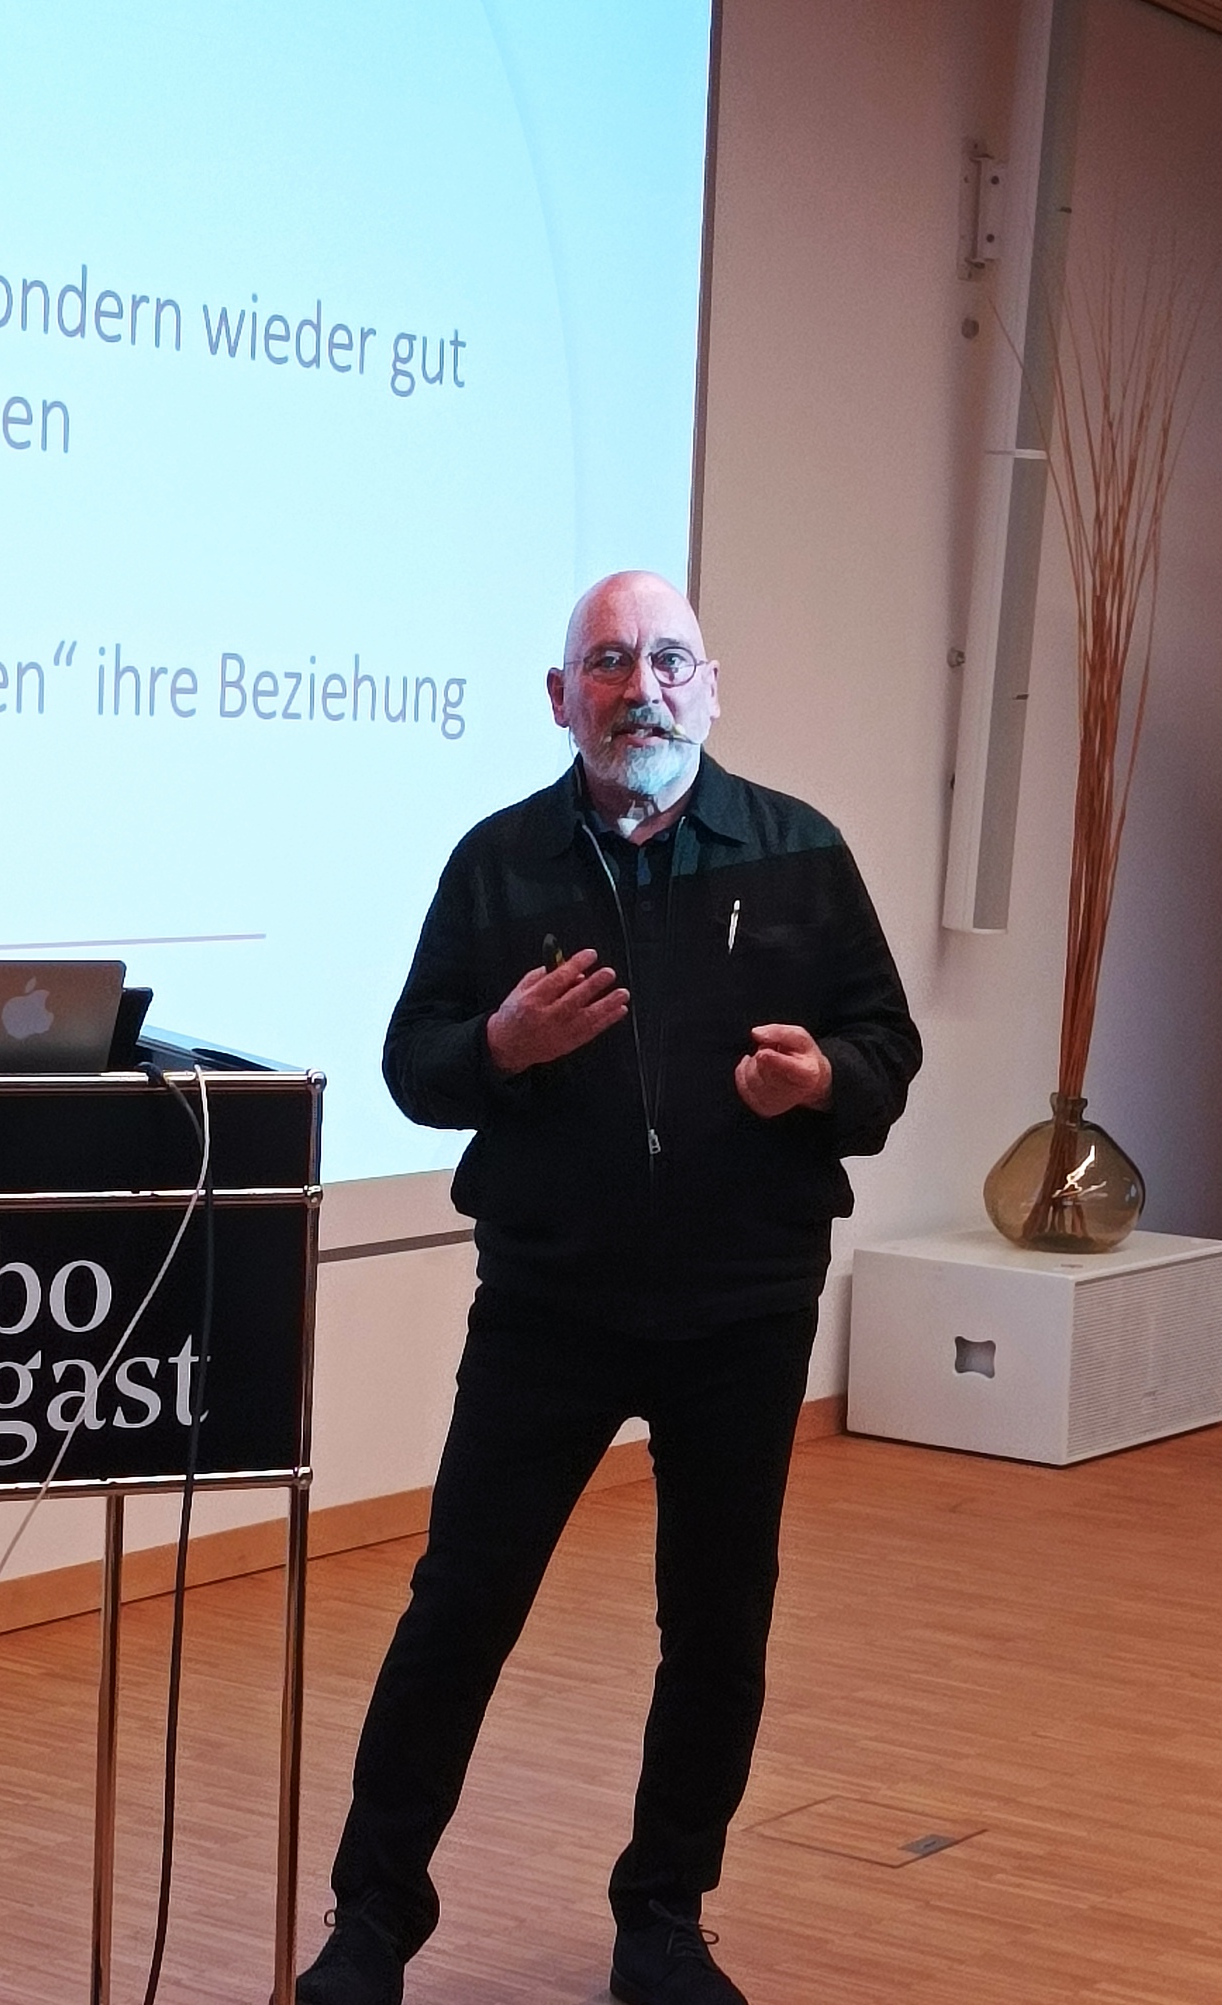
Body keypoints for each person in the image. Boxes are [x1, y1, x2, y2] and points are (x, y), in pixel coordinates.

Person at [293, 572, 921, 2005]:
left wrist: (824, 1078)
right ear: (562, 696)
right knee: (460, 1606)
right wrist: (499, 1046)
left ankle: (664, 1918)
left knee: (717, 1619)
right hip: (550, 1304)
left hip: (742, 1304)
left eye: (670, 660)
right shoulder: (498, 862)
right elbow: (413, 1063)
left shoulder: (801, 852)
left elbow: (885, 1049)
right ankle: (372, 1921)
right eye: (612, 662)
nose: (644, 687)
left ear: (713, 686)